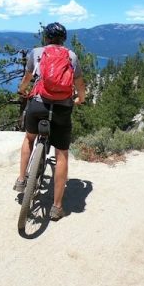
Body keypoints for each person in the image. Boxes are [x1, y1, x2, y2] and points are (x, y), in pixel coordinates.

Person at [14, 22, 86, 221]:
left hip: (38, 105)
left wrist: (22, 90)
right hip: (62, 108)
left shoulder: (36, 53)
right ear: (64, 39)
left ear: (46, 37)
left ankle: (21, 180)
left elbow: (27, 78)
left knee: (29, 139)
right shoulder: (71, 56)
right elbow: (79, 83)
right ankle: (56, 207)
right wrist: (81, 98)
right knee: (61, 153)